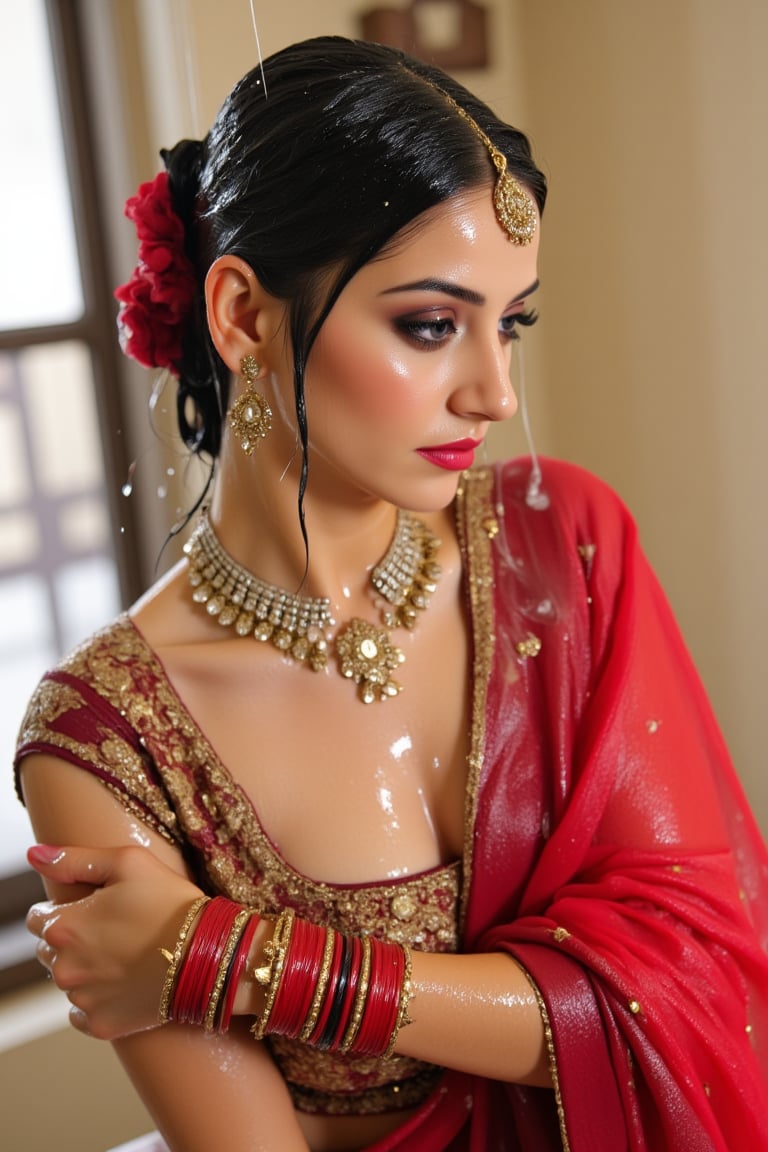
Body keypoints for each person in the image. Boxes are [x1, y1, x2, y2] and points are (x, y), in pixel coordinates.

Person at [14, 34, 768, 1152]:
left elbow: (697, 976)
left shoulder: (566, 553)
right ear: (241, 315)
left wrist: (238, 959)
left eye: (511, 323)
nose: (495, 392)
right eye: (430, 325)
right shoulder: (110, 743)